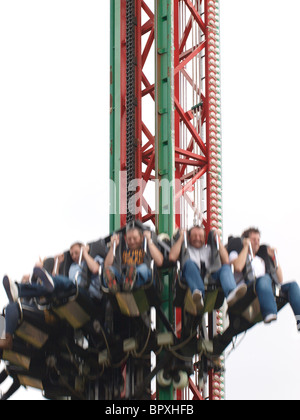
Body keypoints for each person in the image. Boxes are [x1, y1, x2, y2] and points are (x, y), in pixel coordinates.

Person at [229, 227, 300, 330]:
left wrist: (274, 258)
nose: (256, 242)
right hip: (247, 289)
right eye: (253, 240)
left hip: (265, 286)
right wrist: (245, 247)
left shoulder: (261, 260)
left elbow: (280, 279)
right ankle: (269, 312)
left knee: (292, 285)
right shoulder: (237, 253)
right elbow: (238, 267)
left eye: (258, 240)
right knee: (264, 278)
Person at [169, 226, 247, 311]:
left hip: (210, 277)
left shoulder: (209, 249)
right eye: (194, 236)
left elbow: (226, 261)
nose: (197, 238)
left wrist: (218, 240)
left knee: (225, 268)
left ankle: (231, 292)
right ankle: (198, 294)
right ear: (188, 237)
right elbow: (172, 257)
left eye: (200, 236)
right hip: (191, 277)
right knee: (189, 263)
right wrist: (181, 238)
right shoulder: (186, 250)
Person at [3, 243, 102, 303]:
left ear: (83, 248)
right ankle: (18, 290)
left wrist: (84, 253)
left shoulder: (94, 259)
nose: (74, 256)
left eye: (76, 252)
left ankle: (21, 289)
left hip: (89, 294)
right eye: (72, 254)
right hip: (70, 291)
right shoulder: (72, 267)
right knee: (47, 288)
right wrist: (57, 264)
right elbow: (55, 279)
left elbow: (95, 269)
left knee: (67, 283)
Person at [104, 226, 164, 293]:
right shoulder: (122, 251)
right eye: (129, 239)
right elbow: (107, 265)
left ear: (141, 238)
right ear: (126, 240)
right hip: (123, 278)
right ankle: (115, 283)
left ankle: (131, 277)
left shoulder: (147, 248)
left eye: (135, 238)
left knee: (142, 268)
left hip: (143, 276)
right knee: (110, 270)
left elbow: (160, 262)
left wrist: (149, 240)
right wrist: (113, 246)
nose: (132, 241)